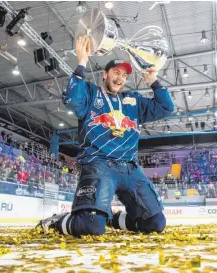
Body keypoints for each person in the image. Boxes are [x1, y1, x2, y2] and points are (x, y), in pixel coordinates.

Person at [37, 36, 174, 237]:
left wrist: (152, 78)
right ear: (105, 75)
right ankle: (59, 221)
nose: (120, 78)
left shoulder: (133, 101)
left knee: (156, 223)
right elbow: (72, 99)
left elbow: (166, 107)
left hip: (130, 168)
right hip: (98, 164)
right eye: (116, 73)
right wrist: (82, 61)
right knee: (90, 227)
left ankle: (112, 219)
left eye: (124, 75)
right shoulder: (91, 94)